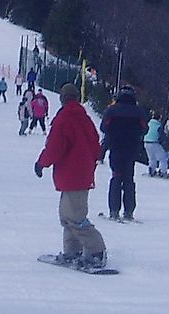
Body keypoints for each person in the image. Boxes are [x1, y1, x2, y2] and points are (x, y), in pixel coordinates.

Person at [34, 83, 107, 269]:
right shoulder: (85, 118)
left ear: (62, 98)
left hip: (72, 175)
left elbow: (55, 147)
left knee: (74, 217)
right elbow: (96, 146)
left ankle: (96, 250)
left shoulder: (64, 119)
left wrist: (42, 163)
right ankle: (72, 251)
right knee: (67, 216)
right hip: (79, 174)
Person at [100, 85, 148, 221]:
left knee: (116, 177)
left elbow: (103, 127)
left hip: (116, 148)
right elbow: (145, 128)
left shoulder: (112, 110)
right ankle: (129, 211)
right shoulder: (139, 111)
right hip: (131, 149)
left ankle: (114, 210)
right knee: (129, 179)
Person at [144, 111, 169, 177]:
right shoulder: (158, 126)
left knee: (152, 158)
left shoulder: (149, 124)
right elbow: (162, 136)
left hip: (146, 142)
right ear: (159, 118)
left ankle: (151, 171)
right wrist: (167, 144)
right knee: (162, 158)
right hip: (155, 142)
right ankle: (163, 172)